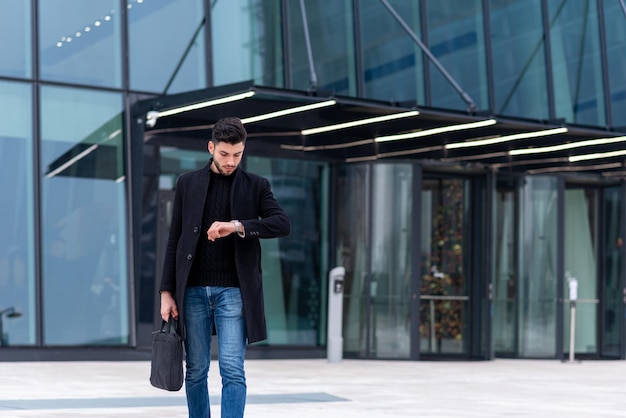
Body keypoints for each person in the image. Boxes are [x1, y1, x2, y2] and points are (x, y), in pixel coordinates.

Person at [159, 117, 291, 418]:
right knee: (196, 370)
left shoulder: (256, 186)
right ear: (211, 147)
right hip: (192, 290)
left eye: (237, 154)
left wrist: (237, 226)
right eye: (224, 154)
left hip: (234, 291)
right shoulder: (187, 184)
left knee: (232, 369)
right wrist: (166, 291)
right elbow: (174, 240)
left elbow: (283, 224)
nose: (231, 161)